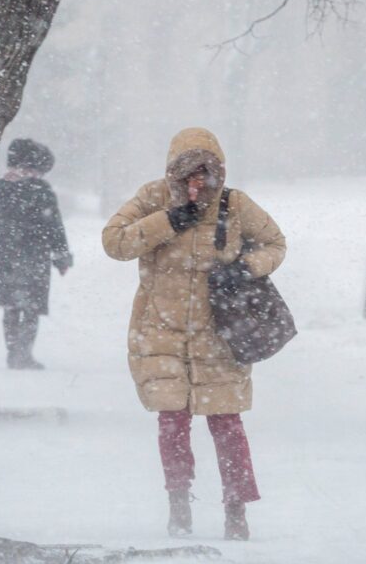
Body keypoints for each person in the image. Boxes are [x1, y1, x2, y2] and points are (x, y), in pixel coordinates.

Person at [102, 127, 286, 540]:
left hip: (219, 334)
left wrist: (245, 268)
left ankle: (236, 510)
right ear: (174, 173)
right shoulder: (153, 198)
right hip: (159, 333)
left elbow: (275, 244)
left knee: (226, 424)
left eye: (206, 171)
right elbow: (114, 242)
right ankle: (179, 504)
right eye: (188, 172)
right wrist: (167, 221)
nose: (197, 181)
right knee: (172, 422)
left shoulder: (235, 205)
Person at [0, 138, 73, 370]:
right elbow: (54, 225)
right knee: (31, 308)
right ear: (35, 167)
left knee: (10, 307)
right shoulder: (41, 190)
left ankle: (14, 352)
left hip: (5, 257)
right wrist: (61, 256)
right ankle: (23, 353)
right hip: (35, 256)